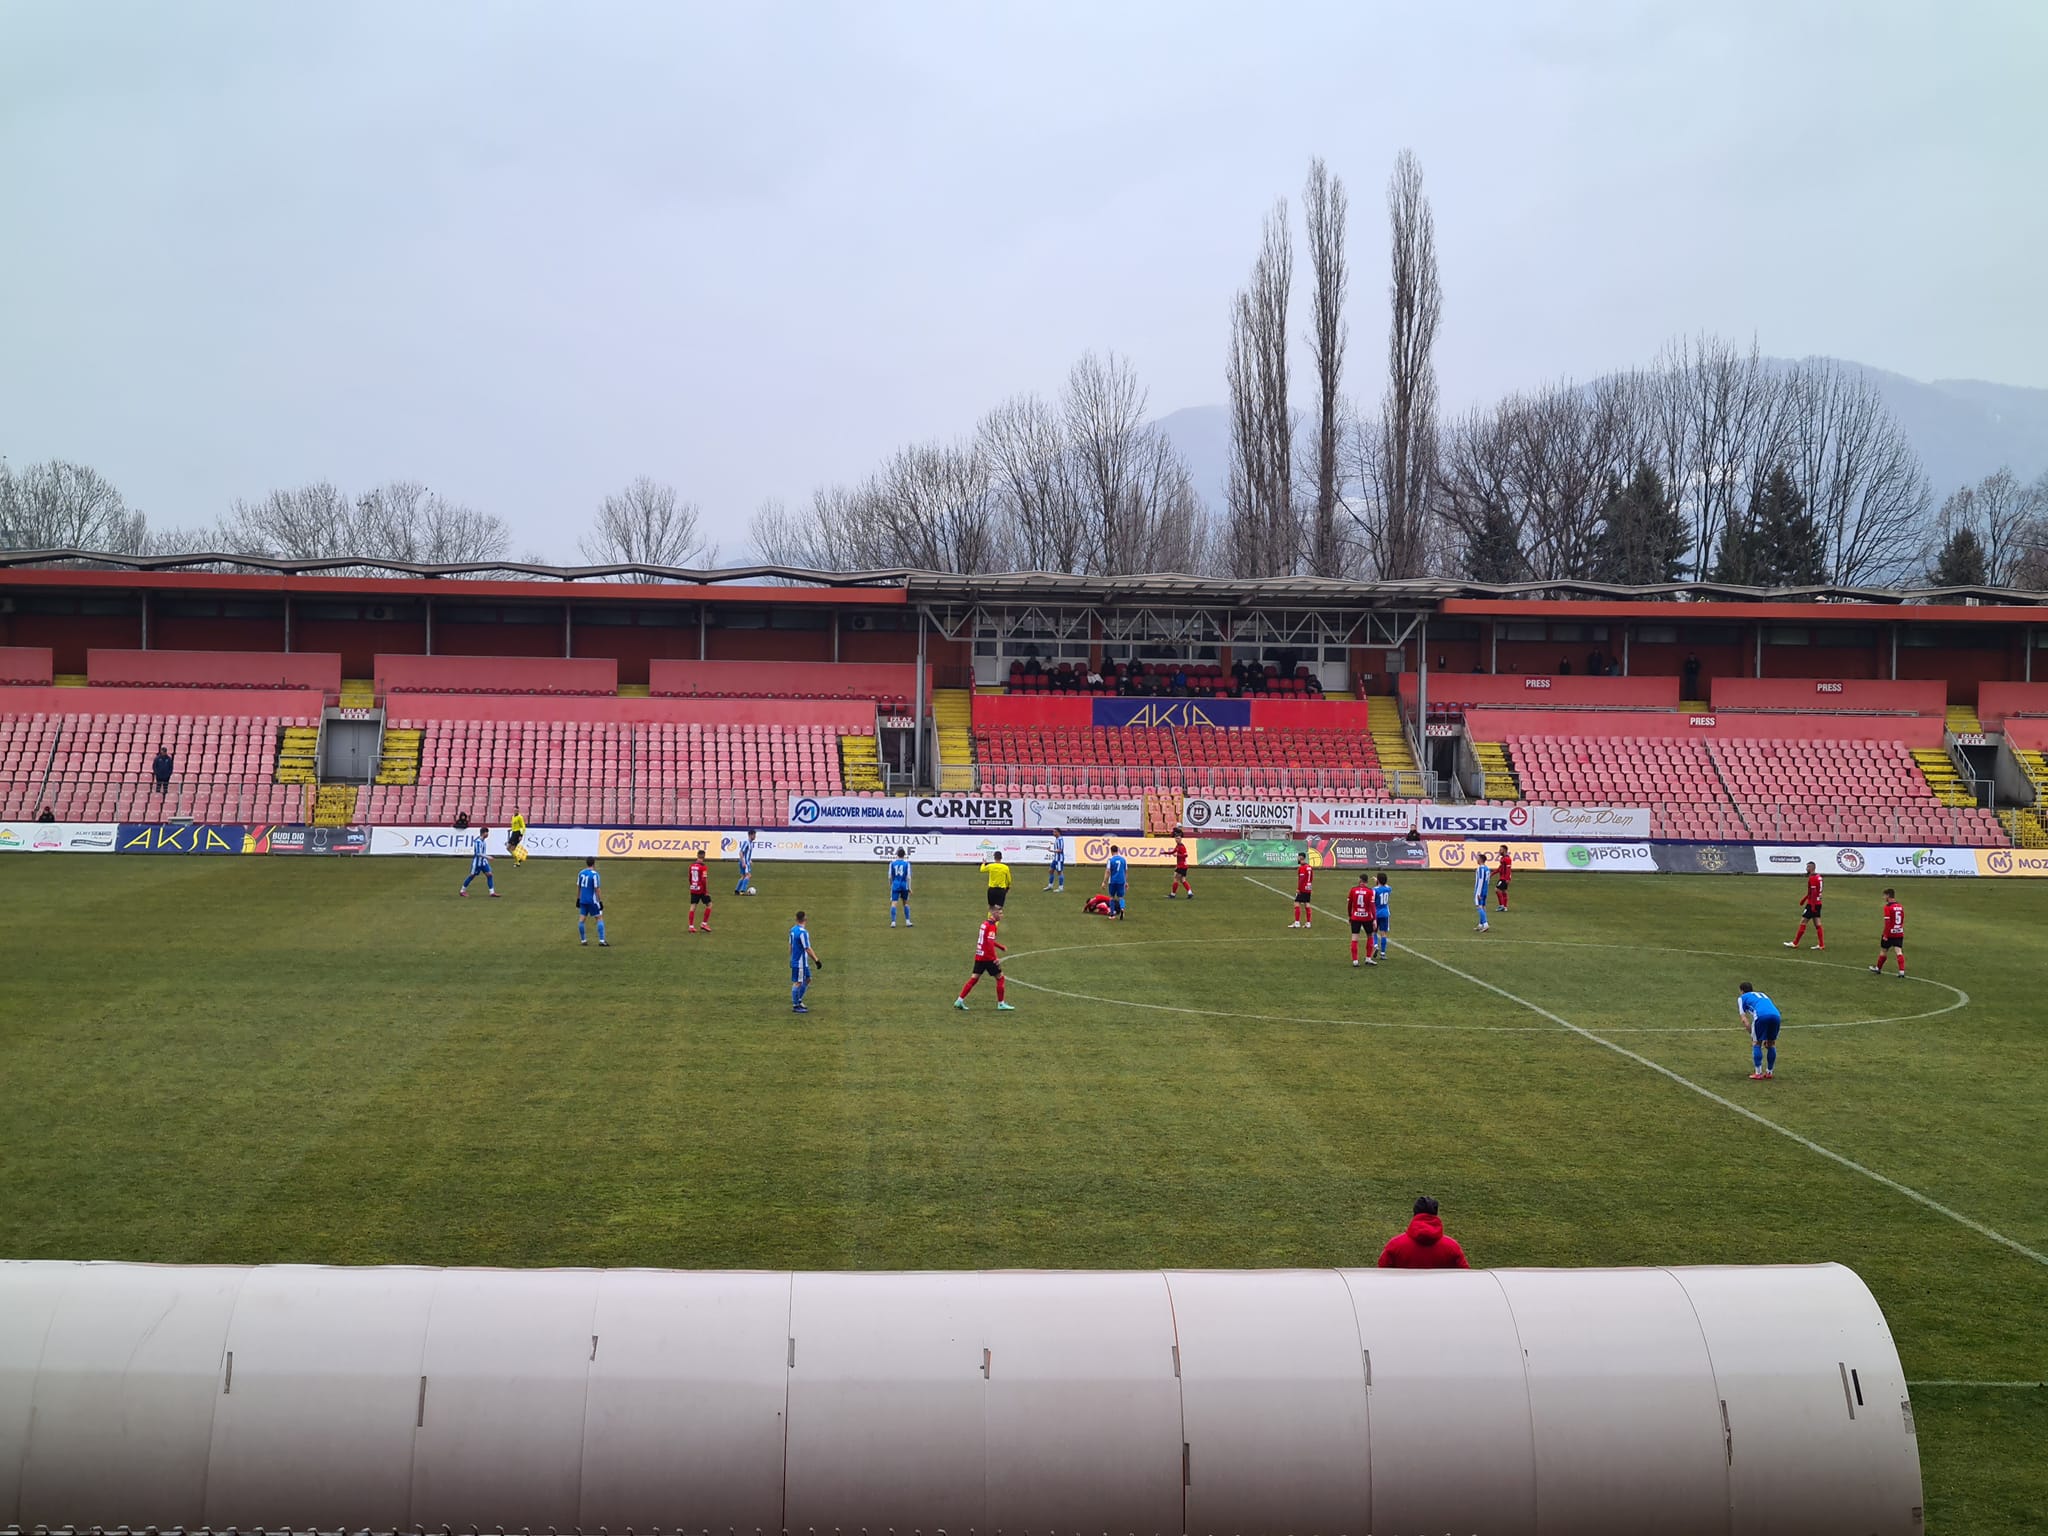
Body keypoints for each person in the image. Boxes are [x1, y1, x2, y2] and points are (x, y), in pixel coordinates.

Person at [1377, 1196, 1470, 1269]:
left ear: (1415, 1213)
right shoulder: (1452, 1247)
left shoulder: (1395, 1245)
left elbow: (1381, 1275)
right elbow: (1466, 1277)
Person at [955, 911, 1014, 1011]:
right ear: (994, 914)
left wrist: (1000, 947)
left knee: (974, 978)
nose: (1002, 915)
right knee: (1000, 978)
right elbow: (990, 943)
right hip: (988, 957)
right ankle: (1001, 1004)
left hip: (979, 955)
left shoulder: (984, 924)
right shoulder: (992, 926)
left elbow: (987, 940)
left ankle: (959, 1000)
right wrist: (995, 958)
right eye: (1000, 913)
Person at [1738, 981, 1782, 1080]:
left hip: (1761, 1016)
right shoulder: (1762, 994)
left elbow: (1744, 1020)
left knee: (1757, 1043)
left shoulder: (1742, 998)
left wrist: (1753, 1035)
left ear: (1741, 991)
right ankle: (1769, 1072)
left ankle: (1758, 1073)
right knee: (1771, 1043)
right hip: (1776, 1016)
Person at [1785, 861, 1825, 950]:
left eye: (1808, 867)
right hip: (1818, 903)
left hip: (1812, 904)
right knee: (1817, 924)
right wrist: (1804, 899)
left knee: (1803, 921)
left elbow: (1813, 892)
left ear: (1811, 868)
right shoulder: (1819, 877)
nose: (1806, 869)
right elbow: (1813, 892)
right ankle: (1821, 945)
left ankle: (1795, 943)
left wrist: (1812, 906)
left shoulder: (1812, 878)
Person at [788, 911, 822, 1013]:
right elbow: (807, 948)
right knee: (798, 982)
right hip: (800, 962)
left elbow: (790, 945)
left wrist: (791, 957)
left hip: (799, 961)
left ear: (796, 919)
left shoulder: (793, 930)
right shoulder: (803, 933)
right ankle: (795, 1006)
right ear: (805, 919)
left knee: (808, 979)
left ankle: (799, 1000)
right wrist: (816, 960)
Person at [1871, 889, 1906, 977]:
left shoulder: (1887, 907)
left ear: (1888, 896)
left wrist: (1886, 935)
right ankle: (1901, 972)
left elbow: (1887, 922)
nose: (1883, 898)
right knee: (1898, 951)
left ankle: (1878, 969)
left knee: (1883, 951)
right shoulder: (1900, 906)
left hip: (1890, 933)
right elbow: (1902, 919)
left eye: (1884, 896)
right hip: (1899, 932)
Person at [575, 857, 608, 946]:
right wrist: (600, 901)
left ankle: (583, 940)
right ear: (594, 863)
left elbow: (579, 887)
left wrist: (578, 899)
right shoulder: (595, 875)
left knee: (582, 919)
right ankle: (602, 941)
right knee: (599, 918)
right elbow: (597, 889)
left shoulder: (581, 873)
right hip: (592, 900)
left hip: (583, 900)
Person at [1346, 876, 1378, 967]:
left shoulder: (1353, 890)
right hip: (1367, 917)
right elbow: (1372, 906)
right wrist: (1374, 919)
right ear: (1367, 881)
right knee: (1370, 936)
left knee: (1354, 938)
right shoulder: (1369, 891)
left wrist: (1350, 915)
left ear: (1360, 880)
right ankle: (1368, 958)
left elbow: (1349, 904)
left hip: (1355, 917)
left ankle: (1355, 961)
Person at [459, 827, 497, 897]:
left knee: (489, 875)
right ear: (483, 833)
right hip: (477, 863)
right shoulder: (478, 842)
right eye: (487, 832)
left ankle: (492, 892)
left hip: (483, 862)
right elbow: (478, 853)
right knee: (472, 876)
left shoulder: (483, 841)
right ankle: (462, 891)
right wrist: (488, 857)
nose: (488, 834)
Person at [889, 847, 914, 928]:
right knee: (905, 903)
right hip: (904, 885)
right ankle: (907, 921)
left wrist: (891, 885)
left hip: (895, 884)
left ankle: (893, 922)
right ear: (904, 855)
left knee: (894, 903)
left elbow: (890, 876)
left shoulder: (892, 863)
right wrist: (909, 887)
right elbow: (909, 877)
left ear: (897, 854)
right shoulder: (907, 864)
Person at [1102, 844, 1129, 919]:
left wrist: (1104, 882)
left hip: (1113, 881)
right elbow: (1126, 871)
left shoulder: (1110, 860)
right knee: (1121, 897)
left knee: (1112, 897)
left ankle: (1112, 915)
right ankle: (1122, 909)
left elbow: (1108, 871)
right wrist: (1126, 882)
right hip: (1121, 881)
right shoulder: (1123, 860)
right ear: (1117, 851)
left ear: (1111, 851)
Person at [687, 854, 713, 933]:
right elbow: (704, 879)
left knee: (693, 906)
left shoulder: (691, 866)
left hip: (693, 888)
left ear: (697, 856)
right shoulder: (703, 867)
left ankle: (691, 926)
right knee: (709, 904)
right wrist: (705, 891)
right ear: (704, 857)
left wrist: (692, 885)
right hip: (701, 889)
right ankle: (704, 924)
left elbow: (690, 877)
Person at [1289, 853, 1314, 929]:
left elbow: (1301, 879)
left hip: (1303, 888)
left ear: (1301, 857)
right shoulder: (1309, 867)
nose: (1297, 858)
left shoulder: (1302, 868)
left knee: (1296, 903)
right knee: (1307, 903)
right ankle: (1308, 923)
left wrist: (1299, 888)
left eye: (1298, 857)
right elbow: (1311, 877)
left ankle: (1297, 922)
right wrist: (1309, 886)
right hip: (1308, 887)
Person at [1168, 826, 1192, 899]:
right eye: (1176, 838)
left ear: (1181, 839)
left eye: (1178, 838)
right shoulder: (1178, 846)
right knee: (1182, 880)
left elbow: (1185, 855)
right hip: (1183, 866)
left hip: (1181, 866)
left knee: (1176, 879)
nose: (1176, 839)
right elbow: (1173, 852)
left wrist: (1177, 855)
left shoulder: (1181, 846)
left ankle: (1173, 894)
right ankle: (1190, 892)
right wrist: (1164, 853)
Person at [1373, 873, 1393, 960]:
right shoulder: (1388, 889)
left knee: (1373, 931)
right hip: (1385, 913)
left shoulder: (1374, 890)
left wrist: (1376, 883)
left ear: (1378, 880)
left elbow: (1372, 901)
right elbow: (1386, 886)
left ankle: (1375, 945)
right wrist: (1379, 881)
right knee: (1383, 933)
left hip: (1376, 913)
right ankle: (1383, 953)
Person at [735, 830, 758, 896]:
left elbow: (746, 853)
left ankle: (737, 890)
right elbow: (741, 852)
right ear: (750, 835)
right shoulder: (747, 842)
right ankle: (742, 891)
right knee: (748, 875)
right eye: (754, 835)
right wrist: (743, 862)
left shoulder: (750, 843)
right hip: (745, 862)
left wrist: (749, 860)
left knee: (743, 876)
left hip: (745, 861)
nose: (755, 836)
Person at [1473, 852, 1491, 931]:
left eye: (1477, 858)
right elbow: (1488, 880)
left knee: (1479, 906)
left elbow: (1480, 881)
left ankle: (1485, 924)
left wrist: (1479, 893)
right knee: (1483, 906)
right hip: (1485, 889)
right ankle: (1481, 925)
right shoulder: (1487, 869)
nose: (1476, 860)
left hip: (1479, 890)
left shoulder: (1480, 869)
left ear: (1480, 859)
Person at [1495, 845, 1513, 911]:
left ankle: (1501, 906)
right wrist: (1492, 874)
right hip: (1503, 877)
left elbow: (1508, 869)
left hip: (1504, 878)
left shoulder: (1507, 859)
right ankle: (1505, 907)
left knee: (1497, 890)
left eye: (1500, 850)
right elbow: (1500, 868)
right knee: (1503, 891)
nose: (1499, 851)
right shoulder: (1502, 858)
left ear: (1504, 850)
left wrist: (1507, 878)